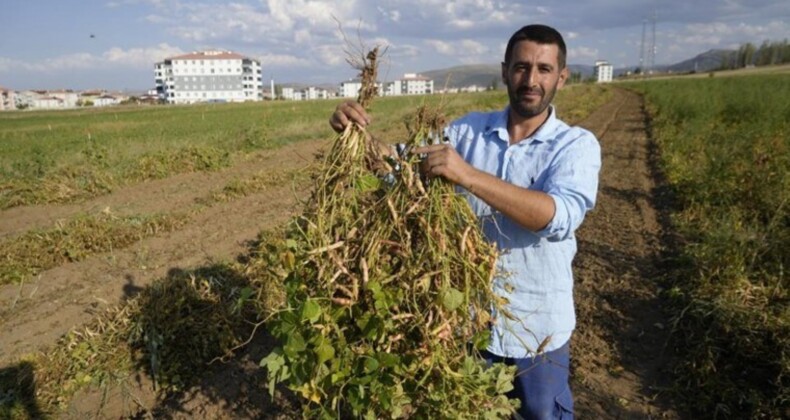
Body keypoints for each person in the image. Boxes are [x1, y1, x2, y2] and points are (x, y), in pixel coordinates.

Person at [329, 24, 600, 420]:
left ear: (562, 76)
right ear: (505, 70)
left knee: (542, 414)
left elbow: (557, 218)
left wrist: (467, 175)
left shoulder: (576, 145)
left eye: (544, 69)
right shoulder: (466, 131)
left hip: (538, 333)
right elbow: (399, 167)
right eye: (522, 67)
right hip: (467, 326)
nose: (531, 80)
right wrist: (355, 135)